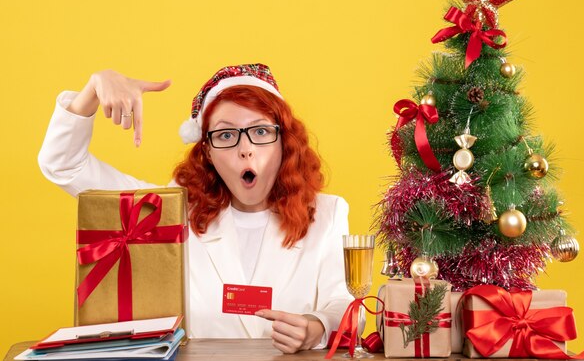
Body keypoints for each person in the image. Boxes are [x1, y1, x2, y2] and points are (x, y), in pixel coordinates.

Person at [38, 64, 353, 354]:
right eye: (227, 135)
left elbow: (343, 300)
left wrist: (317, 327)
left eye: (260, 132)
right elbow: (63, 165)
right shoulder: (169, 213)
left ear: (284, 142)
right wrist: (94, 88)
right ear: (209, 153)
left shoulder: (328, 213)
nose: (246, 150)